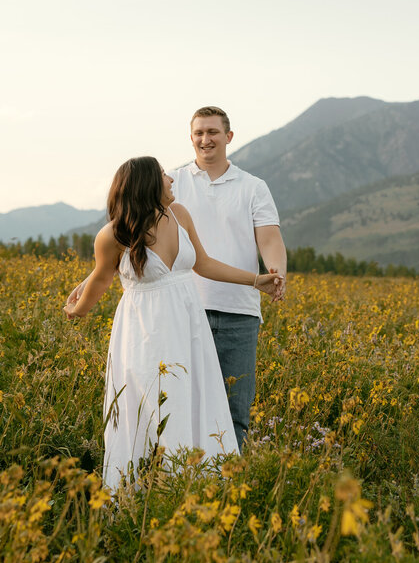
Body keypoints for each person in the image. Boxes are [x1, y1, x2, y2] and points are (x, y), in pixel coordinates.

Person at [63, 156, 282, 490]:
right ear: (148, 185)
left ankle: (193, 483)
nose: (171, 180)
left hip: (188, 325)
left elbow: (204, 264)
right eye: (164, 176)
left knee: (194, 397)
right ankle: (142, 489)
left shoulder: (179, 215)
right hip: (144, 331)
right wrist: (77, 311)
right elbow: (101, 280)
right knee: (151, 404)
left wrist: (256, 280)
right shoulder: (112, 235)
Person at [171, 106, 287, 450]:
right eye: (199, 133)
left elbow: (269, 238)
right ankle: (185, 478)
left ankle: (229, 481)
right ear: (191, 138)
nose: (205, 140)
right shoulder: (171, 182)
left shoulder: (253, 187)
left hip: (240, 313)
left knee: (236, 407)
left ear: (229, 137)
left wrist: (276, 272)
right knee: (183, 403)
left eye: (213, 133)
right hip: (186, 307)